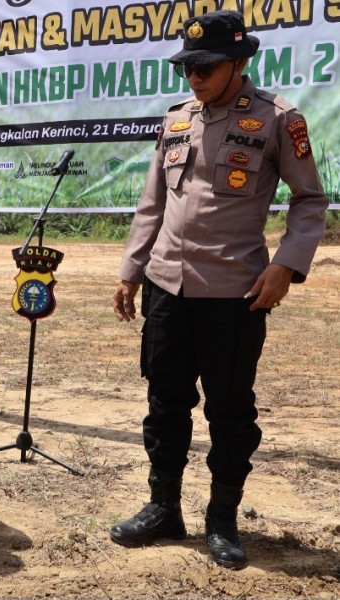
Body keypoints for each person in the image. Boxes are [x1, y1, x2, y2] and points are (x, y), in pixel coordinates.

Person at [109, 11, 328, 569]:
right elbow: (152, 203)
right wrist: (131, 271)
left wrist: (287, 266)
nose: (195, 78)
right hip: (166, 287)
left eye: (206, 67)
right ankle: (164, 508)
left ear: (239, 62)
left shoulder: (278, 120)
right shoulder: (177, 119)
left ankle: (222, 518)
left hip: (234, 293)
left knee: (229, 413)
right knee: (164, 405)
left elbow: (309, 201)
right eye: (189, 67)